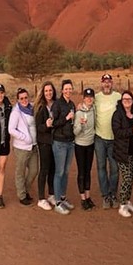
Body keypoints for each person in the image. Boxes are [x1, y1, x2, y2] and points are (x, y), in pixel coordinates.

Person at [112, 90, 133, 217]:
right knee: (127, 177)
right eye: (124, 99)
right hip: (123, 152)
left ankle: (127, 200)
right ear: (121, 101)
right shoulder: (118, 114)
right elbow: (117, 132)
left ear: (132, 100)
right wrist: (131, 131)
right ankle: (122, 204)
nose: (127, 101)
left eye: (129, 99)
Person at [94, 73, 122, 209]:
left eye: (109, 82)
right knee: (101, 167)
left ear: (112, 83)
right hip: (99, 138)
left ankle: (113, 194)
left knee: (115, 168)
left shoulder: (118, 97)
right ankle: (105, 195)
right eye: (104, 82)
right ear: (101, 83)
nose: (107, 84)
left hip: (114, 139)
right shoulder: (96, 98)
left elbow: (126, 110)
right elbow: (88, 108)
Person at [8, 88, 39, 206]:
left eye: (26, 97)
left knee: (34, 170)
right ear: (18, 100)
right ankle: (22, 195)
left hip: (33, 146)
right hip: (21, 147)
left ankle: (25, 189)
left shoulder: (32, 108)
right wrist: (24, 137)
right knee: (20, 172)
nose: (24, 100)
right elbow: (11, 129)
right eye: (21, 98)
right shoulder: (16, 112)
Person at [50, 79, 77, 215]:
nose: (68, 91)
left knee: (66, 172)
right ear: (62, 91)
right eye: (65, 89)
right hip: (59, 142)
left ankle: (63, 197)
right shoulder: (57, 105)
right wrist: (66, 118)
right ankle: (57, 203)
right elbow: (53, 123)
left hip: (70, 142)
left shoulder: (72, 104)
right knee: (59, 172)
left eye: (70, 89)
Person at [34, 82, 57, 210]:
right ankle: (41, 198)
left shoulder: (56, 104)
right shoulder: (40, 108)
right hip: (44, 143)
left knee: (53, 169)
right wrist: (46, 125)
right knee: (44, 170)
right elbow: (38, 127)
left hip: (55, 142)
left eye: (50, 90)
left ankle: (51, 194)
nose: (48, 93)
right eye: (46, 91)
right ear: (43, 93)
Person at [74, 88, 97, 211]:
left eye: (91, 97)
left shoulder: (94, 110)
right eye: (87, 97)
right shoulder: (78, 113)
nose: (89, 99)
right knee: (81, 172)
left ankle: (88, 197)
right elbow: (75, 132)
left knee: (88, 171)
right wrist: (81, 125)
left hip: (90, 144)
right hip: (80, 145)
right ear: (83, 98)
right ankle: (82, 198)